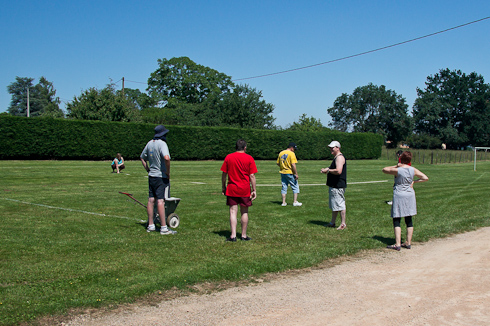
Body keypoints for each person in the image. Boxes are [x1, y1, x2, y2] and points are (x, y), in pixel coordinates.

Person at [382, 151, 429, 251]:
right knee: (408, 218)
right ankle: (408, 242)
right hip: (410, 194)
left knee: (397, 218)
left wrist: (396, 165)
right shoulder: (413, 169)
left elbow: (384, 170)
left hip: (399, 194)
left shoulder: (398, 170)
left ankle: (398, 244)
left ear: (401, 159)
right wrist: (414, 181)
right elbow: (425, 178)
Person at [140, 125, 176, 235]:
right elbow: (166, 158)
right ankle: (164, 228)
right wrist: (168, 172)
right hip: (161, 176)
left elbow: (142, 157)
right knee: (161, 200)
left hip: (152, 176)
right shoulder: (162, 144)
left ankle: (151, 225)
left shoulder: (149, 143)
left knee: (151, 199)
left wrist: (148, 169)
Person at [221, 139, 257, 242]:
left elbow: (224, 174)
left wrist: (223, 186)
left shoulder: (229, 157)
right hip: (245, 189)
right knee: (244, 212)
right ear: (245, 148)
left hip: (232, 188)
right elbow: (252, 175)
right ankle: (243, 235)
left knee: (233, 211)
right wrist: (254, 189)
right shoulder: (249, 158)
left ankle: (233, 235)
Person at [320, 141, 347, 230]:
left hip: (338, 185)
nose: (331, 149)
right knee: (335, 205)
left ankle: (343, 224)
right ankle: (332, 222)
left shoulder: (339, 158)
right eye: (330, 147)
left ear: (338, 148)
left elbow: (338, 171)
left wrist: (328, 170)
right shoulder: (336, 157)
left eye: (333, 147)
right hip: (334, 185)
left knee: (340, 205)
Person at [277, 142, 302, 207]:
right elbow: (293, 165)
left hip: (282, 173)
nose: (294, 150)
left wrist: (283, 167)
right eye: (294, 149)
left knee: (284, 187)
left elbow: (278, 163)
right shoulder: (291, 154)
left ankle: (283, 202)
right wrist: (296, 174)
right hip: (290, 173)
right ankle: (295, 202)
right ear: (291, 148)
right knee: (295, 187)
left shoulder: (281, 153)